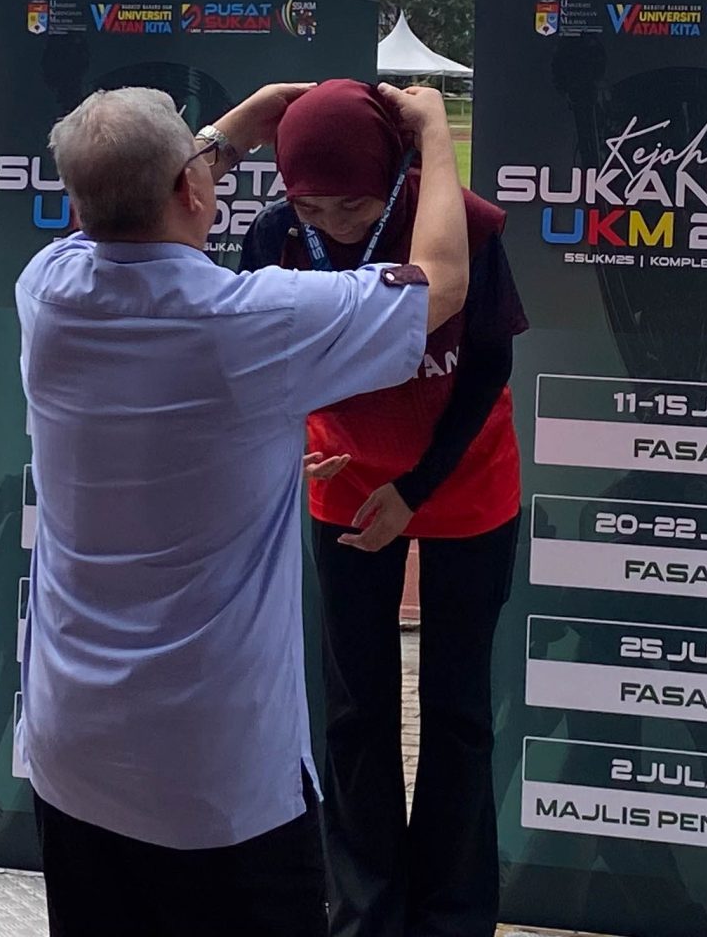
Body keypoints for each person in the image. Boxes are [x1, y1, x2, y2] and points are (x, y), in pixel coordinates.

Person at [15, 81, 472, 937]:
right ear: (192, 189)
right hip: (215, 778)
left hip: (72, 749)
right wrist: (436, 133)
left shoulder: (48, 289)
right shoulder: (250, 319)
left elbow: (116, 208)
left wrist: (220, 139)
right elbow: (440, 284)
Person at [240, 80, 527, 937]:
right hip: (346, 482)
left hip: (464, 479)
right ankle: (364, 910)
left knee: (458, 707)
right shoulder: (274, 235)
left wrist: (416, 489)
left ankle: (454, 916)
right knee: (354, 706)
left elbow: (487, 369)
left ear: (397, 175)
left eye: (353, 205)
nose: (332, 224)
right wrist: (286, 443)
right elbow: (253, 365)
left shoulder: (462, 226)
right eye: (312, 205)